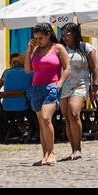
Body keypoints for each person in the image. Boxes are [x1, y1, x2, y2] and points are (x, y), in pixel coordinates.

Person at [24, 23, 70, 167]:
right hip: (36, 88)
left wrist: (60, 84)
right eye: (35, 38)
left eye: (41, 37)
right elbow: (27, 70)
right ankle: (45, 154)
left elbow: (67, 68)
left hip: (52, 87)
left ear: (49, 34)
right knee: (42, 123)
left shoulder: (58, 48)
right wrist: (29, 50)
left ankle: (52, 153)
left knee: (46, 118)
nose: (38, 40)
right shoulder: (36, 49)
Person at [58, 22, 98, 161]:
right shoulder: (61, 48)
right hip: (64, 86)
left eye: (67, 35)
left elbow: (94, 68)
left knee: (74, 113)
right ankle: (73, 148)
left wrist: (95, 86)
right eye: (62, 35)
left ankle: (78, 148)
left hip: (80, 85)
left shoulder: (86, 48)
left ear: (75, 34)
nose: (64, 37)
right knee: (67, 117)